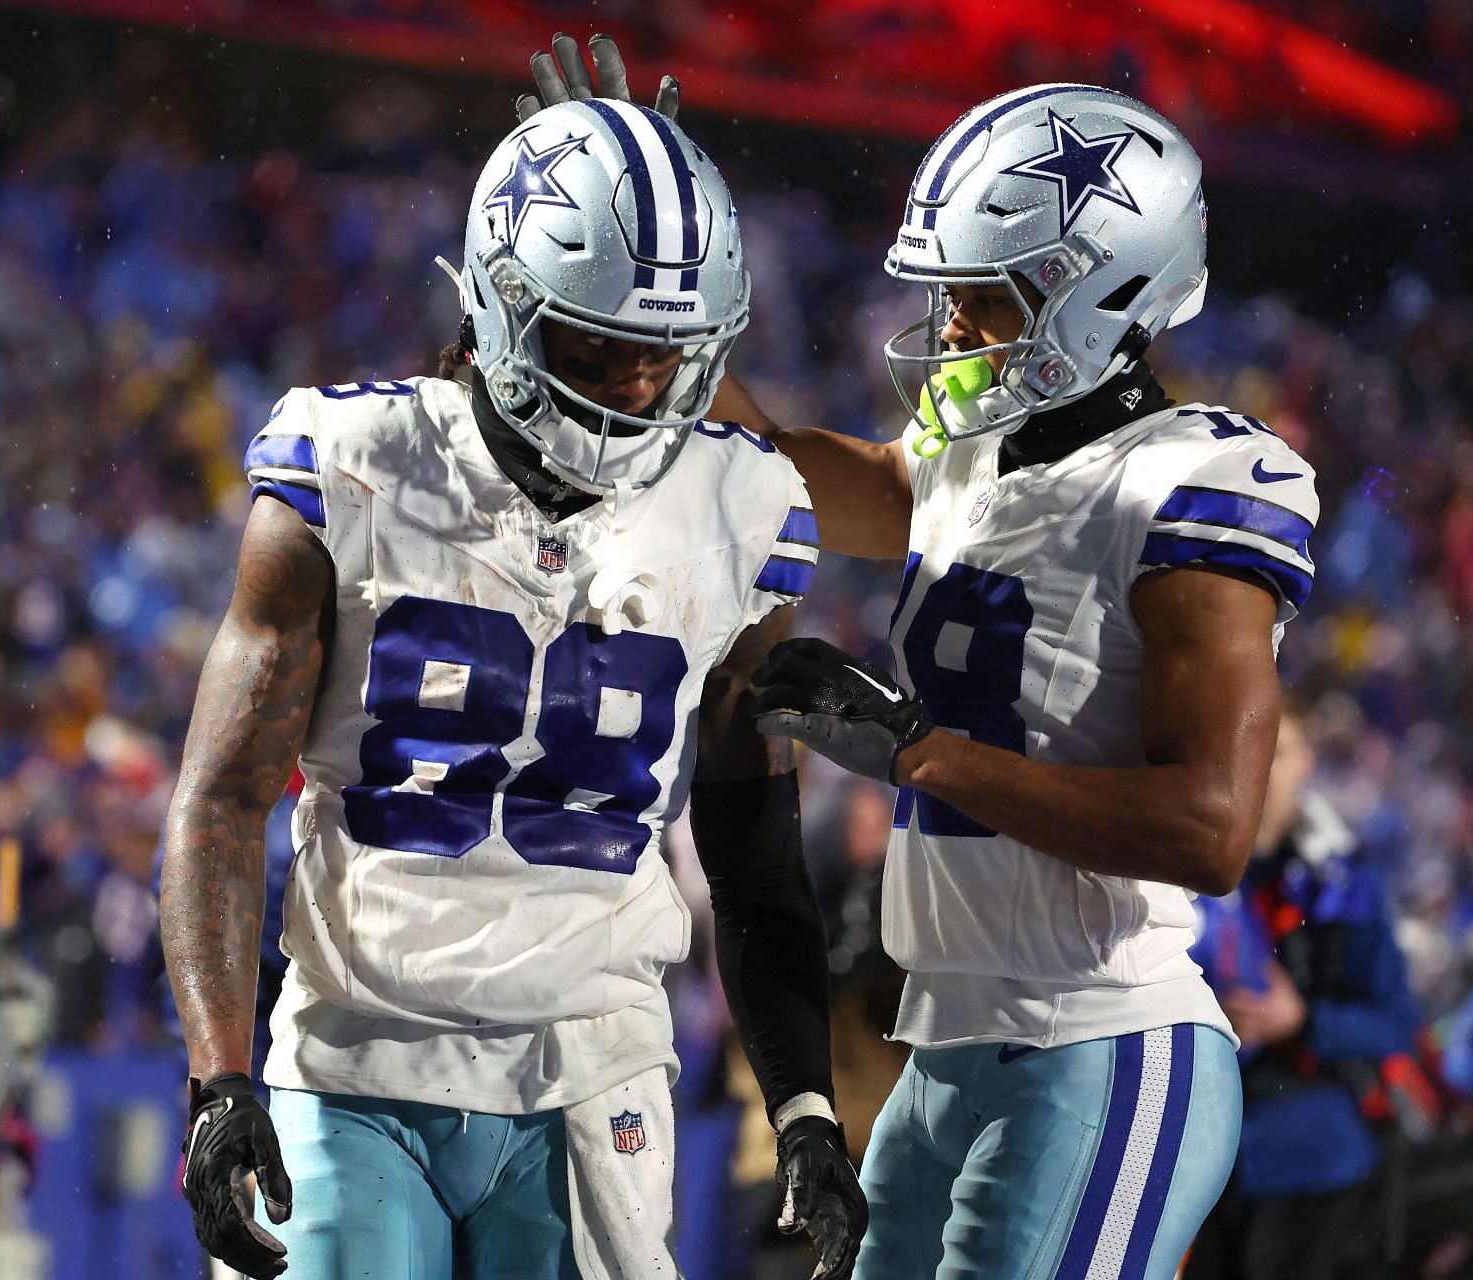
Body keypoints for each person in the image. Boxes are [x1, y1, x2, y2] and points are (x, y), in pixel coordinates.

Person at [538, 68, 1316, 1278]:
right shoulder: (968, 458)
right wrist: (666, 262)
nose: (951, 323)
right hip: (946, 1045)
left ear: (1103, 291)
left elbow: (1210, 825)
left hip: (1100, 1040)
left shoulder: (1193, 484)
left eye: (986, 296)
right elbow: (767, 468)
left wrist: (920, 750)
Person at [159, 76, 866, 1280]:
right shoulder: (353, 465)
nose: (640, 381)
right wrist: (220, 1077)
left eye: (667, 348)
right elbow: (221, 796)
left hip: (593, 1063)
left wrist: (803, 1101)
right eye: (603, 339)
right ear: (502, 301)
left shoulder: (743, 509)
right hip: (354, 1059)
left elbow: (753, 847)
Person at [1184, 706, 1420, 1279]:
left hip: (1308, 1151)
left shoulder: (1348, 883)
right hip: (1190, 1149)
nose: (1261, 768)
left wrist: (1302, 1021)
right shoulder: (1172, 868)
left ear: (1307, 760)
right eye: (1248, 749)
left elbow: (1397, 1023)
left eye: (1278, 751)